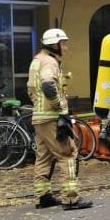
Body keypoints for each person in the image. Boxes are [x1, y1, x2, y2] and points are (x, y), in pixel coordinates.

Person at [28, 28, 92, 210]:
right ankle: (71, 198)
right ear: (54, 45)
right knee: (68, 154)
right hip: (52, 117)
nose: (65, 46)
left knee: (44, 157)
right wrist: (61, 107)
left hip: (39, 117)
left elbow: (32, 89)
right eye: (63, 43)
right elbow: (48, 85)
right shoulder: (50, 62)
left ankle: (43, 197)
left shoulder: (37, 61)